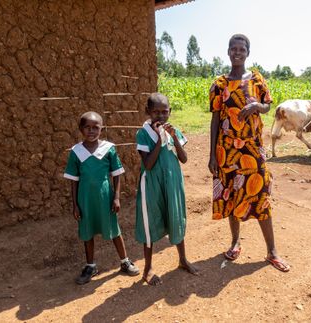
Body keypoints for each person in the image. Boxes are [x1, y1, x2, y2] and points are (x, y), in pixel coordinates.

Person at [208, 34, 290, 272]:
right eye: (233, 48)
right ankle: (235, 242)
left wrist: (256, 106)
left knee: (261, 194)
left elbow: (267, 105)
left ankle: (272, 251)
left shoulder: (256, 78)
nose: (237, 52)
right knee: (232, 193)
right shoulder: (219, 84)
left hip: (252, 148)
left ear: (247, 53)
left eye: (241, 49)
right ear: (227, 52)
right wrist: (212, 154)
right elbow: (215, 120)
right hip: (226, 151)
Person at [64, 111, 139, 284]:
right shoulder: (76, 152)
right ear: (81, 129)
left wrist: (116, 197)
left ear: (101, 129)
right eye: (87, 128)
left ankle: (125, 261)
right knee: (87, 232)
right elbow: (74, 181)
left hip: (106, 198)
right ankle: (90, 266)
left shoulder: (108, 148)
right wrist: (75, 204)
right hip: (85, 200)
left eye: (95, 127)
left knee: (114, 229)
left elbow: (116, 174)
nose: (91, 131)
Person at [135, 92, 199, 285]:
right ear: (148, 112)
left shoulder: (174, 131)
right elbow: (148, 164)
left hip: (172, 183)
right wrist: (160, 140)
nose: (161, 117)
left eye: (164, 112)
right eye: (156, 112)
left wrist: (173, 137)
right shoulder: (143, 133)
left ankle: (182, 260)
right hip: (152, 184)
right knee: (151, 222)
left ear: (170, 112)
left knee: (176, 217)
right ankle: (148, 267)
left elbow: (184, 158)